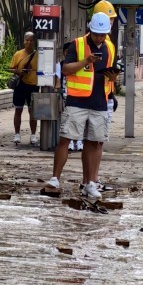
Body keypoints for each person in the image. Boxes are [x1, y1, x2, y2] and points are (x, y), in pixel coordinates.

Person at [46, 12, 117, 201]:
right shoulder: (77, 45)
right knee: (66, 139)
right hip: (77, 100)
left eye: (103, 34)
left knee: (93, 142)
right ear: (90, 30)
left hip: (100, 101)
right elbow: (66, 70)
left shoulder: (110, 47)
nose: (100, 38)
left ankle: (89, 183)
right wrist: (86, 61)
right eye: (96, 34)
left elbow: (110, 71)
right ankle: (55, 178)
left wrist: (113, 78)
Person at [10, 31, 39, 145]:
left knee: (33, 111)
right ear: (24, 41)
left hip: (33, 85)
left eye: (31, 40)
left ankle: (33, 134)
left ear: (34, 41)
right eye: (27, 40)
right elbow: (11, 68)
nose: (29, 42)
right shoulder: (18, 54)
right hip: (20, 85)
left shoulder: (38, 54)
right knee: (18, 110)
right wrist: (19, 71)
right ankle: (17, 134)